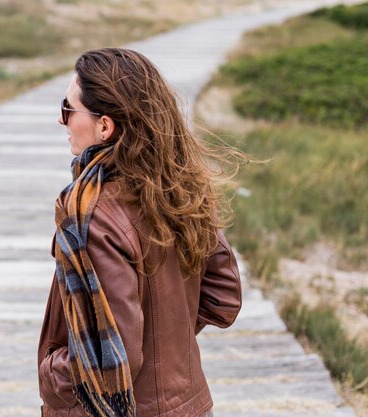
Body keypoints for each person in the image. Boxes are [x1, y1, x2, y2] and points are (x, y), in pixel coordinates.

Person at [37, 48, 243, 417]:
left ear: (104, 126)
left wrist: (55, 376)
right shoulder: (178, 186)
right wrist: (165, 340)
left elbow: (114, 356)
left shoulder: (92, 213)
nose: (60, 120)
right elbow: (223, 296)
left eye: (68, 109)